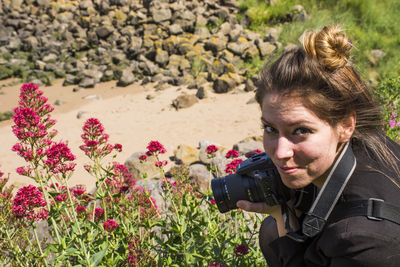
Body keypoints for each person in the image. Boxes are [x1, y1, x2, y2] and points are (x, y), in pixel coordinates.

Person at [236, 25, 400, 266]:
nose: (280, 153)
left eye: (301, 131)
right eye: (270, 128)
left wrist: (282, 224)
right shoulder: (371, 144)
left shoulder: (363, 238)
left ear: (346, 124)